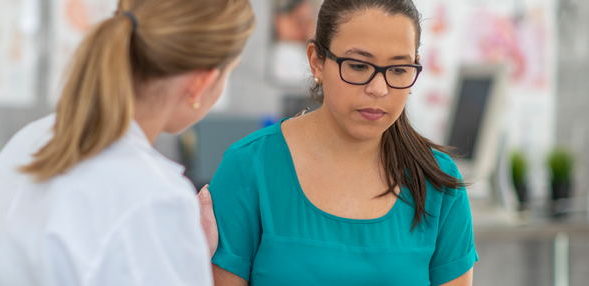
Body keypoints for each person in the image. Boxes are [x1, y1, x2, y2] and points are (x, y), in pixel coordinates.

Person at [0, 0, 255, 284]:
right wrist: (183, 255)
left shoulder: (28, 142)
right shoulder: (155, 198)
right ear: (201, 83)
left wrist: (177, 252)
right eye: (228, 73)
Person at [202, 0, 478, 285]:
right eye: (358, 65)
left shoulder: (438, 181)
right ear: (316, 61)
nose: (379, 89)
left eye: (398, 70)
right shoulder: (248, 168)